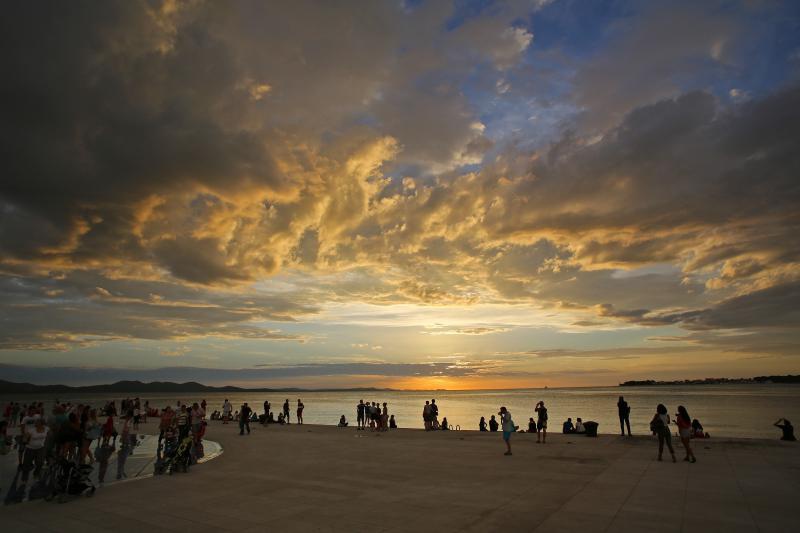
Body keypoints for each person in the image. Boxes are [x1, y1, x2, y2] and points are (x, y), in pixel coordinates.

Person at [19, 417, 48, 490]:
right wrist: (24, 441)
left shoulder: (46, 429)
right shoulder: (31, 430)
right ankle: (24, 479)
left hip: (40, 448)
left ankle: (36, 474)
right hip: (30, 449)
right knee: (26, 464)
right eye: (35, 422)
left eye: (37, 422)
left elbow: (50, 433)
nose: (35, 423)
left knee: (40, 462)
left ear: (41, 424)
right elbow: (26, 437)